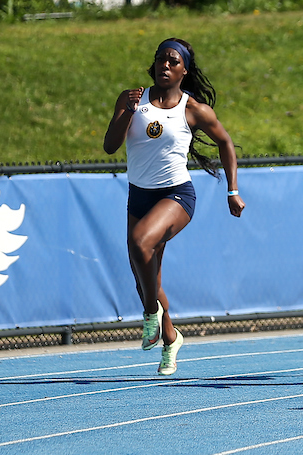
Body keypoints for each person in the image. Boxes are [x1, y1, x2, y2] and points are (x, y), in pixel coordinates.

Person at [103, 38, 245, 376]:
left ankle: (150, 314)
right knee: (146, 279)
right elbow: (110, 146)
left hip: (176, 196)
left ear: (184, 70)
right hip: (139, 196)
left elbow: (225, 142)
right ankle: (170, 338)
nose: (165, 65)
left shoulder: (193, 109)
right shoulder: (132, 99)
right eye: (160, 60)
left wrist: (232, 189)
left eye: (172, 61)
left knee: (140, 242)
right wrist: (128, 112)